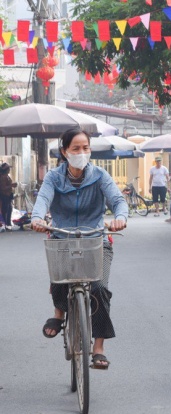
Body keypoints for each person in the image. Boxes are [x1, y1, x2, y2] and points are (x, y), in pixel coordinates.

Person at [31, 128, 128, 369]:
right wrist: (37, 218)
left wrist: (120, 217)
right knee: (60, 278)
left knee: (99, 288)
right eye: (75, 148)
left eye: (85, 147)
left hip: (96, 239)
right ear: (64, 152)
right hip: (63, 238)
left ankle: (98, 347)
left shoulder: (100, 175)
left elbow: (117, 201)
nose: (81, 152)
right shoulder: (54, 177)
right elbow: (42, 200)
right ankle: (59, 314)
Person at [0, 162, 17, 232]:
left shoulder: (7, 176)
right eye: (8, 168)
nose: (9, 170)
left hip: (8, 195)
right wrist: (12, 186)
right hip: (4, 196)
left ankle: (8, 224)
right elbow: (3, 188)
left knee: (9, 209)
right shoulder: (3, 177)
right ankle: (6, 224)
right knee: (5, 210)